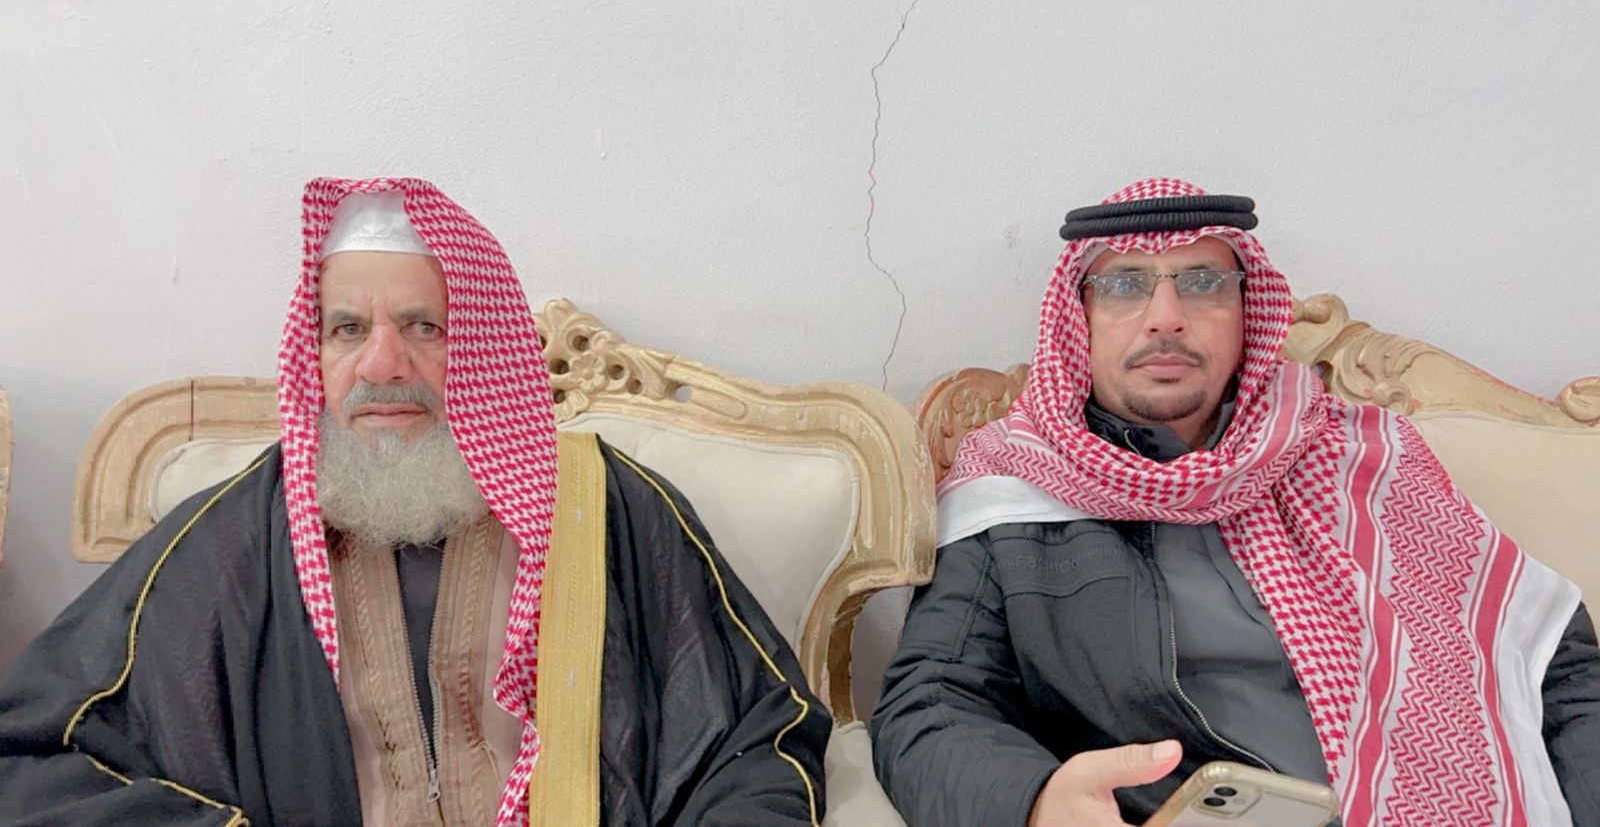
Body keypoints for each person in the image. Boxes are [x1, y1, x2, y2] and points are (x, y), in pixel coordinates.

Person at [0, 177, 828, 826]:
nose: (382, 364)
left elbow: (763, 734)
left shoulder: (605, 509)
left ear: (483, 347)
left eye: (423, 327)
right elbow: (39, 757)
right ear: (316, 354)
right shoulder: (226, 543)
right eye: (348, 330)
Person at [871, 177, 1600, 826]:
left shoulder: (1357, 455)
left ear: (1247, 310)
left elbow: (1549, 666)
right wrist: (1033, 802)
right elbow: (931, 704)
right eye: (1124, 285)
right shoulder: (1013, 491)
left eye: (1201, 282)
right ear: (1079, 316)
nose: (1165, 316)